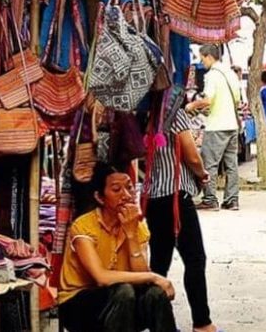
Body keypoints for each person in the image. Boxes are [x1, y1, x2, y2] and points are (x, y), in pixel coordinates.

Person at [58, 164, 177, 332]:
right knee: (124, 290)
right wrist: (154, 276)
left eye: (129, 188)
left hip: (121, 303)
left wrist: (131, 235)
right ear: (100, 197)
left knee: (155, 295)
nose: (127, 195)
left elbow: (139, 274)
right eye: (116, 190)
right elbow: (101, 277)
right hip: (78, 305)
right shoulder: (84, 225)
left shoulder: (137, 225)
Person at [144, 88, 219, 332]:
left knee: (159, 264)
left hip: (154, 198)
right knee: (195, 259)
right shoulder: (175, 115)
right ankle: (202, 323)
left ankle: (159, 323)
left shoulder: (145, 117)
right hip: (177, 198)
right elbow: (192, 156)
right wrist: (202, 174)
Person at [187, 44, 242, 211]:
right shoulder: (230, 73)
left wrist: (191, 106)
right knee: (231, 165)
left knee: (209, 164)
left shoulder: (212, 75)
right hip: (232, 124)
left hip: (216, 125)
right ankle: (232, 200)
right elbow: (237, 100)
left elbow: (207, 100)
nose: (201, 62)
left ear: (209, 56)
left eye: (202, 58)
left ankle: (210, 198)